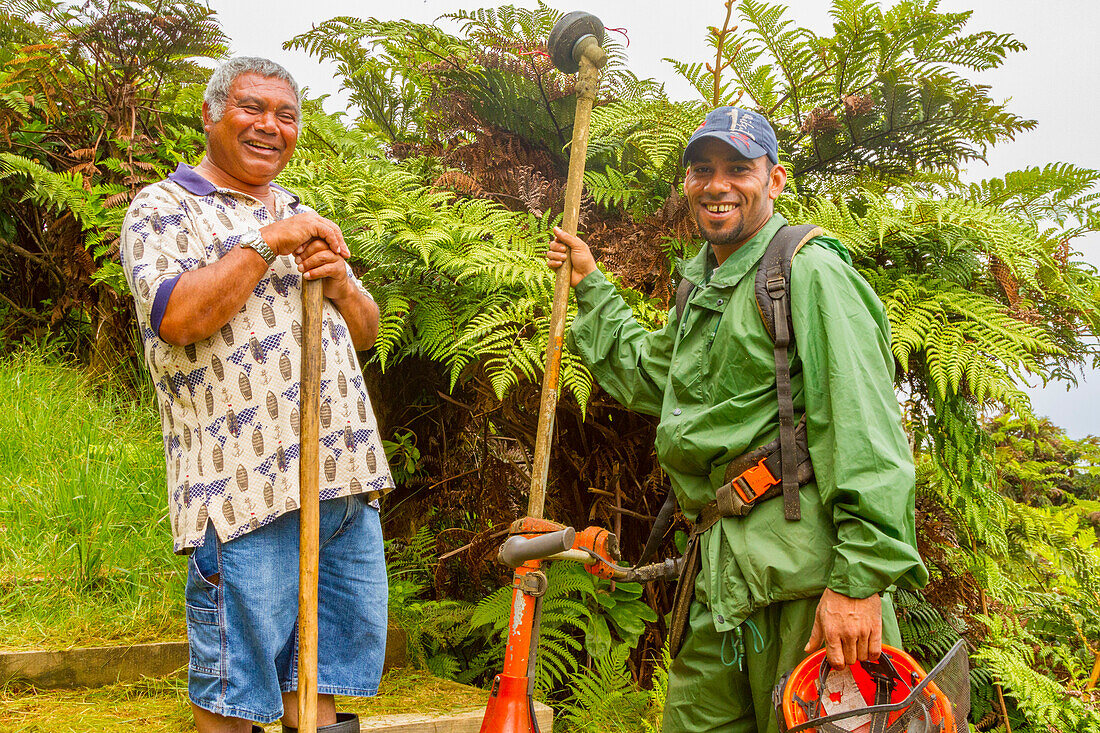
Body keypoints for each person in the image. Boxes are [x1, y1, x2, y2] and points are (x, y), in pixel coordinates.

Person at [547, 106, 928, 733]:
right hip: (721, 582)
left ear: (774, 181)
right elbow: (653, 378)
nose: (716, 184)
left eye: (737, 169)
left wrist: (860, 582)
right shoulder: (703, 283)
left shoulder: (808, 271)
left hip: (807, 584)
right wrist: (591, 286)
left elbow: (865, 426)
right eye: (702, 170)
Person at [120, 57, 392, 733]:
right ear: (210, 115)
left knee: (321, 679)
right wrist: (266, 242)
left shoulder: (302, 212)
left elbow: (365, 333)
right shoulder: (163, 208)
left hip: (340, 487)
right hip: (243, 491)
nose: (270, 126)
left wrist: (343, 285)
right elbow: (179, 317)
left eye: (286, 114)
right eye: (252, 108)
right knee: (233, 693)